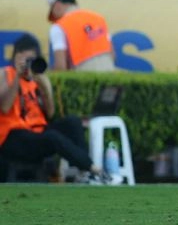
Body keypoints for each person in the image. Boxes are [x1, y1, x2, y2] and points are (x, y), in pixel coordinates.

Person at [0, 34, 109, 184]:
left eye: (31, 60)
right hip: (12, 137)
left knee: (73, 122)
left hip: (37, 132)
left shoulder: (36, 78)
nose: (27, 64)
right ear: (15, 57)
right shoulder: (5, 74)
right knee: (52, 137)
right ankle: (93, 169)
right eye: (24, 59)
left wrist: (45, 88)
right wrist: (18, 78)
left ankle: (84, 171)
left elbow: (50, 113)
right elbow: (5, 107)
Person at [45, 0, 114, 72]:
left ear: (57, 5)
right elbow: (112, 55)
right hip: (110, 75)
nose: (55, 19)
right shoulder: (98, 18)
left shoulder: (59, 26)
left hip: (83, 79)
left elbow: (61, 66)